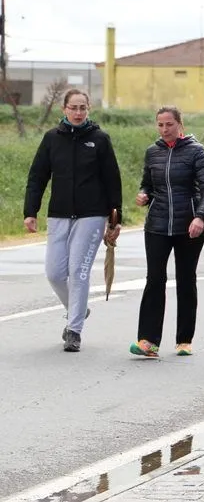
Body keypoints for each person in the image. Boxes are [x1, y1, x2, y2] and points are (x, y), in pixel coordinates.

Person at [23, 89, 123, 352]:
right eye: (73, 108)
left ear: (89, 109)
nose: (78, 113)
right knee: (55, 273)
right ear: (64, 109)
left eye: (83, 108)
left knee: (79, 271)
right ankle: (78, 308)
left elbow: (112, 180)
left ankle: (74, 330)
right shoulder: (52, 139)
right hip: (59, 214)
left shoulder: (99, 139)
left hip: (92, 215)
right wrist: (30, 212)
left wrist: (115, 217)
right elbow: (37, 177)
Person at [130, 106, 204, 358]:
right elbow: (148, 183)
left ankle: (184, 340)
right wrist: (144, 195)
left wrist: (200, 217)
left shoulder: (196, 152)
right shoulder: (152, 152)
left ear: (180, 124)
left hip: (188, 226)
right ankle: (148, 341)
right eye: (160, 125)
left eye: (169, 124)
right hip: (157, 225)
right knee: (154, 280)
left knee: (186, 280)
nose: (164, 129)